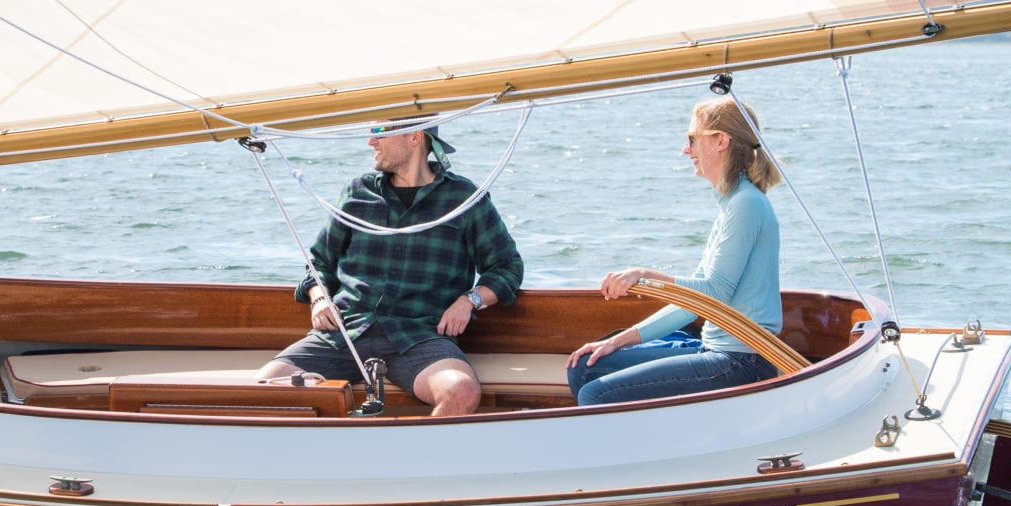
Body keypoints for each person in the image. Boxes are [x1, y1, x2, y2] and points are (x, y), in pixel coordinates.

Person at [254, 120, 523, 417]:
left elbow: (507, 266)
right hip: (346, 331)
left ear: (415, 137)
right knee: (268, 383)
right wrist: (318, 297)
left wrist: (469, 300)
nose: (371, 141)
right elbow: (319, 262)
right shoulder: (357, 192)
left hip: (419, 337)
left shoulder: (464, 198)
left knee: (461, 391)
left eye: (379, 132)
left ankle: (423, 463)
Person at [566, 97, 783, 406]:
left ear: (720, 140)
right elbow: (695, 303)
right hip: (717, 350)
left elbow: (713, 293)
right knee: (585, 369)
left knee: (595, 393)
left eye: (692, 139)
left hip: (741, 361)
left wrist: (643, 275)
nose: (686, 150)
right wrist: (620, 340)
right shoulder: (733, 204)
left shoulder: (745, 204)